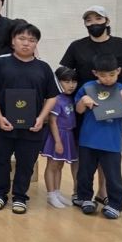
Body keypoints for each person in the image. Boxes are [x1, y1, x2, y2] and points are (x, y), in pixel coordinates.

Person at [59, 5, 122, 206]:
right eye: (88, 20)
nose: (93, 23)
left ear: (107, 21)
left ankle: (103, 192)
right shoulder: (76, 46)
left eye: (98, 19)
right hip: (84, 105)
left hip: (112, 106)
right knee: (83, 150)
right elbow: (65, 74)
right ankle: (80, 192)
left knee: (106, 151)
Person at [0, 22, 59, 214]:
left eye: (31, 40)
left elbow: (52, 96)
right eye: (22, 38)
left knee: (26, 163)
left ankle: (20, 197)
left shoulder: (43, 67)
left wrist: (41, 118)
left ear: (36, 43)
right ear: (13, 41)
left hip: (32, 126)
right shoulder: (0, 62)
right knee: (1, 160)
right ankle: (0, 194)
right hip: (3, 124)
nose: (26, 43)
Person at [75, 54, 122, 219]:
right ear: (95, 73)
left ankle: (115, 204)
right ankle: (85, 199)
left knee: (113, 175)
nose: (107, 79)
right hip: (88, 139)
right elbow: (78, 110)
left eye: (111, 74)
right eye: (103, 75)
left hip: (111, 141)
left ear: (118, 71)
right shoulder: (87, 87)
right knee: (85, 173)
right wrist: (83, 101)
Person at [41, 66, 78, 209]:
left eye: (74, 81)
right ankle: (51, 195)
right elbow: (52, 121)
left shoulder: (69, 98)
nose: (71, 85)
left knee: (60, 165)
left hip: (68, 135)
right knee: (52, 165)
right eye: (67, 82)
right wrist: (57, 141)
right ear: (58, 81)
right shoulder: (56, 99)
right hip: (58, 135)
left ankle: (57, 192)